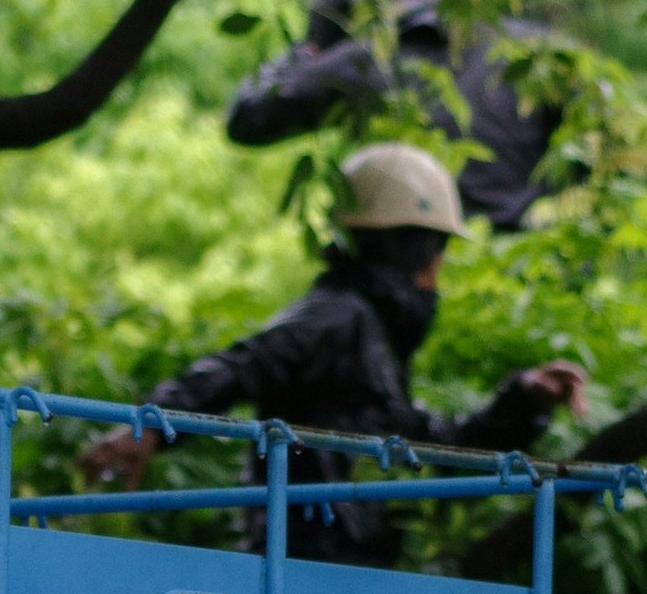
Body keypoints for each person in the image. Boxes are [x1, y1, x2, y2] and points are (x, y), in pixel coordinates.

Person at [78, 143, 587, 568]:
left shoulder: (371, 336)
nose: (439, 272)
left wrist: (524, 400)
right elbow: (243, 364)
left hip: (335, 565)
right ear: (418, 250)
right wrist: (152, 425)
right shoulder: (338, 319)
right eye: (439, 250)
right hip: (308, 564)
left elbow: (431, 444)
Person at [230, 0, 563, 233]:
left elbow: (249, 120)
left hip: (413, 257)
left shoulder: (372, 59)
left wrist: (311, 47)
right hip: (526, 256)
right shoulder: (543, 53)